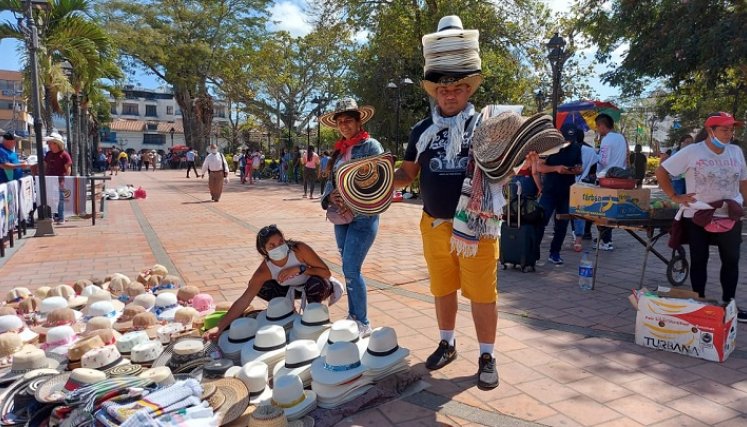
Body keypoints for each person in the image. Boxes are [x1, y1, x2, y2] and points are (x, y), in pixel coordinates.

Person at [393, 16, 499, 389]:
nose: (449, 94)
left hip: (478, 226)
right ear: (434, 92)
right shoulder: (421, 130)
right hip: (434, 224)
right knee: (442, 288)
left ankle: (486, 354)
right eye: (442, 88)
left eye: (456, 88)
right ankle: (447, 343)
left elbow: (504, 169)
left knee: (483, 293)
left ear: (468, 89)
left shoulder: (487, 126)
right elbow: (407, 173)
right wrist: (375, 178)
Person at [655, 112, 747, 322]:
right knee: (699, 259)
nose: (729, 134)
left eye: (731, 129)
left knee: (731, 259)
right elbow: (662, 171)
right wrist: (675, 196)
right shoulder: (692, 151)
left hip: (729, 214)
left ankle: (729, 305)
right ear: (710, 130)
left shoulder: (736, 152)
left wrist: (744, 204)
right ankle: (699, 303)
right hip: (698, 214)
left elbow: (743, 181)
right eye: (724, 129)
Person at [203, 225, 342, 341]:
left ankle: (313, 319)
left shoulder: (299, 250)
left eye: (281, 242)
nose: (278, 247)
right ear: (264, 250)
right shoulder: (265, 270)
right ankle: (286, 310)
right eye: (272, 245)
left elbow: (325, 272)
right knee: (259, 286)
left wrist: (300, 269)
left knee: (315, 284)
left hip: (316, 284)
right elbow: (244, 299)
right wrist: (219, 327)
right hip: (290, 289)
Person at [320, 97, 383, 337]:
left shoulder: (371, 147)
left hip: (363, 218)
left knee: (351, 269)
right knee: (349, 269)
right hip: (341, 219)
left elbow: (378, 182)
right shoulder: (339, 151)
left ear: (359, 122)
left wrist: (352, 203)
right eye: (340, 122)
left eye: (349, 120)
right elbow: (330, 183)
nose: (344, 125)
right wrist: (331, 198)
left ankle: (362, 321)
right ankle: (353, 315)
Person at [535, 124, 582, 264]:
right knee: (540, 221)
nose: (568, 142)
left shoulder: (576, 148)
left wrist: (576, 170)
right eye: (566, 139)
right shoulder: (550, 147)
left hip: (566, 192)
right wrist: (556, 168)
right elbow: (539, 167)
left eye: (571, 139)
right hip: (549, 191)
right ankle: (533, 251)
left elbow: (579, 166)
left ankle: (555, 252)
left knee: (562, 224)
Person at [595, 113, 628, 251]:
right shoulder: (621, 137)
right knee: (610, 208)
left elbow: (604, 161)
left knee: (602, 210)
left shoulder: (607, 140)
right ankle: (605, 237)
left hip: (606, 177)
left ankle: (606, 241)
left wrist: (595, 155)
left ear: (602, 125)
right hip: (621, 177)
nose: (597, 130)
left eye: (597, 127)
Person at [572, 129, 599, 249]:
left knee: (564, 211)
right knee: (581, 212)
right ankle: (581, 235)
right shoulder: (590, 150)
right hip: (583, 185)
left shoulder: (568, 149)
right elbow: (593, 171)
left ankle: (574, 233)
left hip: (568, 184)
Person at [43, 133, 73, 225]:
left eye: (50, 143)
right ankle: (50, 217)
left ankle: (61, 218)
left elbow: (68, 169)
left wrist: (65, 181)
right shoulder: (48, 154)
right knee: (49, 199)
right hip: (49, 180)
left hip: (60, 181)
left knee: (60, 200)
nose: (48, 144)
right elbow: (45, 166)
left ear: (56, 143)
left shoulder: (64, 155)